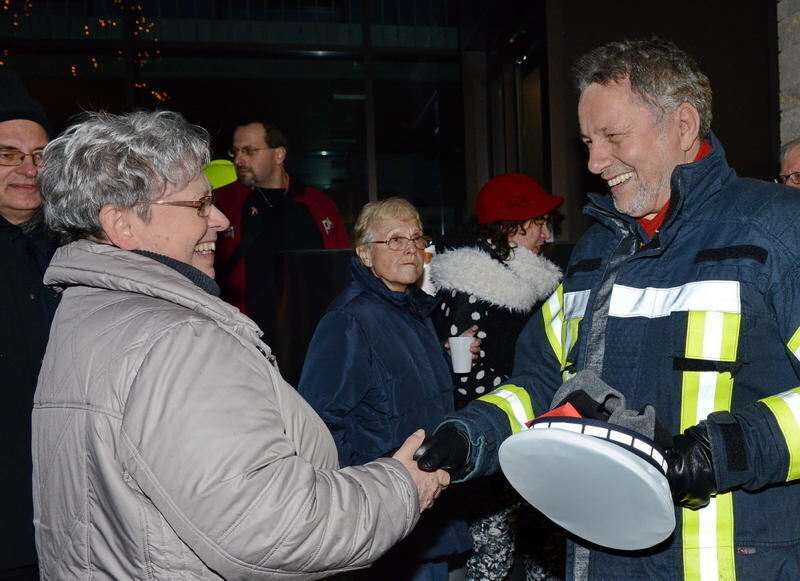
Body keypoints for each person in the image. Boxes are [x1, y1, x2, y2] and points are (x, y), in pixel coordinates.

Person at [415, 38, 800, 580]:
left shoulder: (778, 231)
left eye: (613, 137)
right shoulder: (594, 253)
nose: (594, 162)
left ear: (684, 125)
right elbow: (539, 385)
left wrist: (720, 452)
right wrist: (469, 435)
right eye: (588, 142)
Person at [32, 110, 450, 580]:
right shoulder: (178, 340)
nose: (219, 220)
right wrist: (401, 487)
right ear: (123, 225)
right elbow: (278, 529)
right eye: (198, 205)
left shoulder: (85, 316)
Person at [298, 198, 475, 581]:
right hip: (388, 516)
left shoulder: (412, 309)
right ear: (364, 254)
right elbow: (320, 425)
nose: (411, 247)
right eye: (394, 239)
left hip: (428, 508)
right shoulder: (348, 320)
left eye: (416, 237)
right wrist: (362, 503)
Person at [427, 173, 564, 581]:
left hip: (532, 436)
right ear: (510, 227)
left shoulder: (532, 285)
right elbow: (465, 382)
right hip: (495, 441)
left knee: (544, 549)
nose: (547, 234)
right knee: (493, 557)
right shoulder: (475, 288)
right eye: (538, 223)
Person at [214, 120, 350, 351]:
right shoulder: (222, 203)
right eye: (235, 151)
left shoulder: (319, 205)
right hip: (244, 342)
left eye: (249, 151)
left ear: (278, 155)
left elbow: (342, 271)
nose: (238, 160)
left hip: (313, 340)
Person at [0, 71, 57, 581]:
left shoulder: (74, 252)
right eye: (8, 155)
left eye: (40, 155)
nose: (29, 169)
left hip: (66, 519)